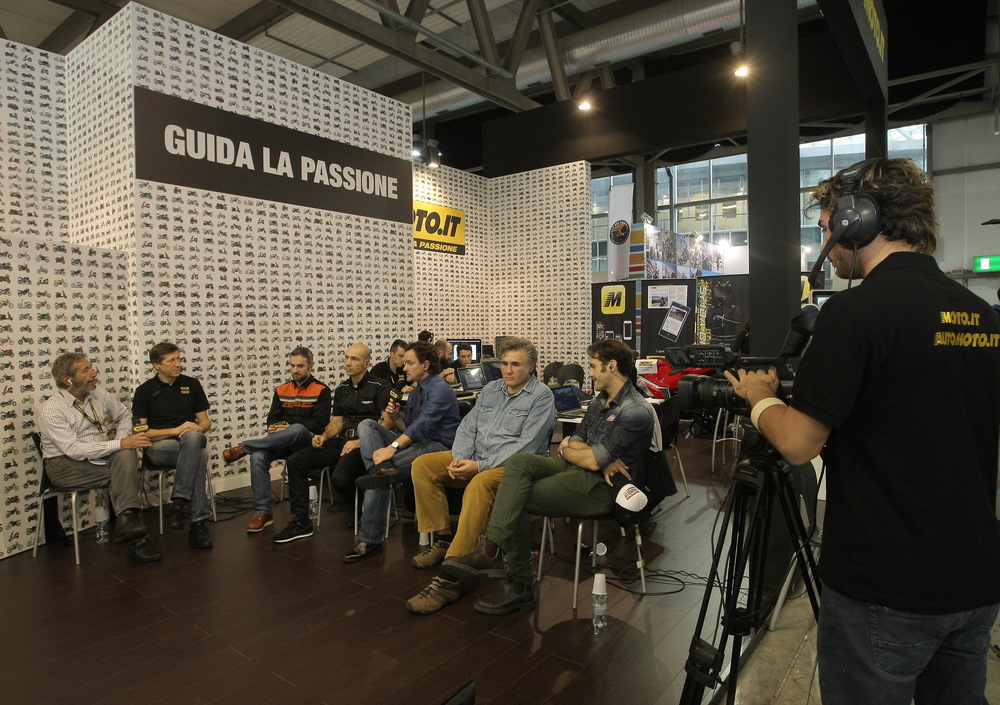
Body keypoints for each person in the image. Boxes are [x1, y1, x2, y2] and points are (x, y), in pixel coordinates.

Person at [723, 157, 1000, 705]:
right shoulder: (983, 315)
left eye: (827, 227)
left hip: (885, 583)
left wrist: (759, 398)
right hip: (974, 579)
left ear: (858, 220)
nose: (826, 244)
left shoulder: (854, 313)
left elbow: (798, 443)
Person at [446, 338, 655, 614]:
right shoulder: (600, 401)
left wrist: (586, 454)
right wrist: (579, 451)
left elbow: (593, 460)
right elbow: (573, 441)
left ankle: (516, 581)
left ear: (612, 366)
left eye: (593, 366)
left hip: (602, 488)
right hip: (577, 469)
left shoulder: (635, 410)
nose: (590, 373)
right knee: (519, 462)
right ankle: (493, 550)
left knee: (514, 495)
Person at [405, 337, 556, 615]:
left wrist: (478, 466)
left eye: (515, 365)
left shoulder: (542, 396)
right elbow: (467, 427)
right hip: (474, 457)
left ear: (531, 367)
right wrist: (460, 457)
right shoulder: (491, 389)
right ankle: (443, 539)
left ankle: (449, 577)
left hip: (511, 467)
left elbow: (527, 447)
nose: (508, 370)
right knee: (423, 465)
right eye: (504, 363)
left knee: (480, 483)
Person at [37, 353, 161, 562]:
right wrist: (121, 443)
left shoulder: (99, 394)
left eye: (92, 367)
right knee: (124, 470)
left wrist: (121, 440)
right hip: (64, 466)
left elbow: (124, 415)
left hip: (99, 459)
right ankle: (136, 539)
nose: (94, 373)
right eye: (86, 370)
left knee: (124, 456)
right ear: (68, 380)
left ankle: (129, 527)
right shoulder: (52, 409)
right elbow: (73, 449)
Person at [345, 340, 460, 563]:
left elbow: (422, 426)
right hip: (417, 443)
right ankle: (380, 469)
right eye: (404, 362)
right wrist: (396, 417)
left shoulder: (439, 388)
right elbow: (408, 428)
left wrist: (393, 447)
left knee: (381, 477)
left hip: (438, 446)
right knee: (367, 425)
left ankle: (370, 540)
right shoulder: (416, 392)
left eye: (409, 363)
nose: (404, 367)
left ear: (425, 365)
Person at [272, 343, 391, 543]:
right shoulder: (342, 389)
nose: (348, 363)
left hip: (366, 443)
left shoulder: (379, 386)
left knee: (340, 479)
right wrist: (324, 436)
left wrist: (360, 442)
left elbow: (387, 422)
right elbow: (336, 422)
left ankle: (356, 505)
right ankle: (301, 522)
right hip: (342, 440)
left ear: (367, 363)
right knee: (295, 461)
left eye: (354, 359)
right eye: (347, 358)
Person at [221, 347, 331, 533]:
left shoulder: (322, 390)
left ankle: (245, 447)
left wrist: (290, 427)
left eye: (300, 366)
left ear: (311, 365)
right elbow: (272, 419)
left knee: (298, 429)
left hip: (308, 441)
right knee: (258, 457)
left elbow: (319, 423)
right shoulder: (281, 389)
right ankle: (263, 512)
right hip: (283, 441)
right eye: (292, 366)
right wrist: (275, 426)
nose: (295, 370)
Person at [132, 342, 214, 549]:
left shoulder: (191, 384)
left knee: (193, 439)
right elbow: (142, 432)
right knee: (200, 456)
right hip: (160, 447)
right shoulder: (144, 391)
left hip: (190, 440)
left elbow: (205, 422)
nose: (178, 364)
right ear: (157, 365)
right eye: (171, 361)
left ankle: (178, 502)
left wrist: (194, 429)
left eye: (179, 359)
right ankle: (197, 523)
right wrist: (176, 430)